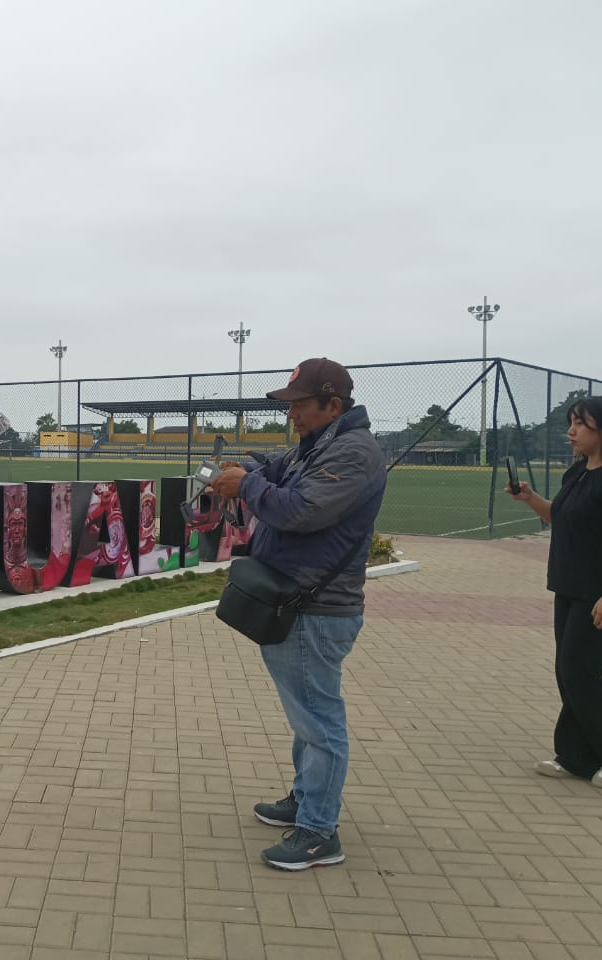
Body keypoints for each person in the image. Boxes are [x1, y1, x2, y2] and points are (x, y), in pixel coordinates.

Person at [209, 358, 386, 871]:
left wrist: (246, 486)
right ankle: (305, 798)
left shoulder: (352, 451)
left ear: (333, 405)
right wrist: (247, 474)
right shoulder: (320, 442)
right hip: (299, 602)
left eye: (300, 405)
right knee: (306, 714)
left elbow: (301, 510)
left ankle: (318, 831)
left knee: (319, 721)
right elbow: (279, 471)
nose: (292, 415)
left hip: (316, 607)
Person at [507, 395, 602, 788]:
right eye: (571, 423)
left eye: (580, 424)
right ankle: (576, 757)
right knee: (569, 672)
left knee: (580, 672)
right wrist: (530, 498)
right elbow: (563, 517)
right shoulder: (579, 472)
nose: (571, 431)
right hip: (570, 588)